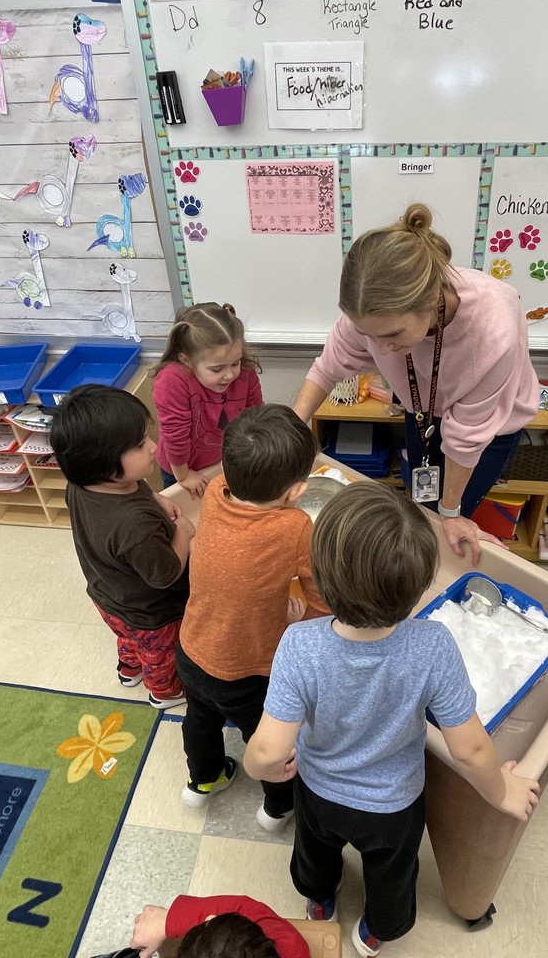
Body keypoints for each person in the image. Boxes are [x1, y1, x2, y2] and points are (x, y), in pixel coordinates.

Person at [244, 481, 540, 958]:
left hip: (320, 791)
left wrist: (263, 770)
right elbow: (471, 748)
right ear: (423, 586)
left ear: (319, 574)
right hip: (392, 805)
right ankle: (377, 930)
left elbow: (267, 750)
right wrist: (501, 792)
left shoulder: (299, 644)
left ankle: (319, 900)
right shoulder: (433, 645)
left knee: (314, 851)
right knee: (392, 872)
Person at [292, 203, 540, 564]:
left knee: (447, 520)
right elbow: (329, 366)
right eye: (367, 334)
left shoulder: (492, 324)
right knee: (421, 505)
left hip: (489, 427)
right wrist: (292, 428)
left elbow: (467, 437)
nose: (380, 349)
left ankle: (433, 569)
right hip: (423, 411)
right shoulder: (372, 311)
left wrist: (453, 513)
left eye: (392, 335)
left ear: (430, 301)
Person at [176, 403, 329, 829]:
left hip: (191, 649)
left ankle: (201, 781)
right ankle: (278, 807)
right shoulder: (296, 526)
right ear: (297, 492)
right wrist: (303, 625)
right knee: (266, 738)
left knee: (200, 719)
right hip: (248, 670)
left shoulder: (215, 491)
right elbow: (320, 595)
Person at [50, 384, 194, 709]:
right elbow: (165, 573)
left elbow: (131, 489)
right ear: (105, 465)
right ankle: (164, 692)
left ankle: (129, 669)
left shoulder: (82, 484)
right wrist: (183, 532)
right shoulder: (134, 525)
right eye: (141, 445)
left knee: (129, 639)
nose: (155, 447)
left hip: (107, 597)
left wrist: (155, 498)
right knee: (160, 653)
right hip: (152, 612)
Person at [152, 302, 263, 498]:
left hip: (225, 461)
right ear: (187, 360)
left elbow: (256, 417)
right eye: (217, 369)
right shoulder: (172, 380)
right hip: (181, 468)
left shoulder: (244, 368)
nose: (229, 375)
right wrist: (184, 476)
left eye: (234, 363)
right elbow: (175, 435)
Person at [128, 896, 309, 958]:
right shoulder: (292, 946)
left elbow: (243, 907)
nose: (210, 916)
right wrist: (168, 920)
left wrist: (171, 919)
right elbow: (247, 907)